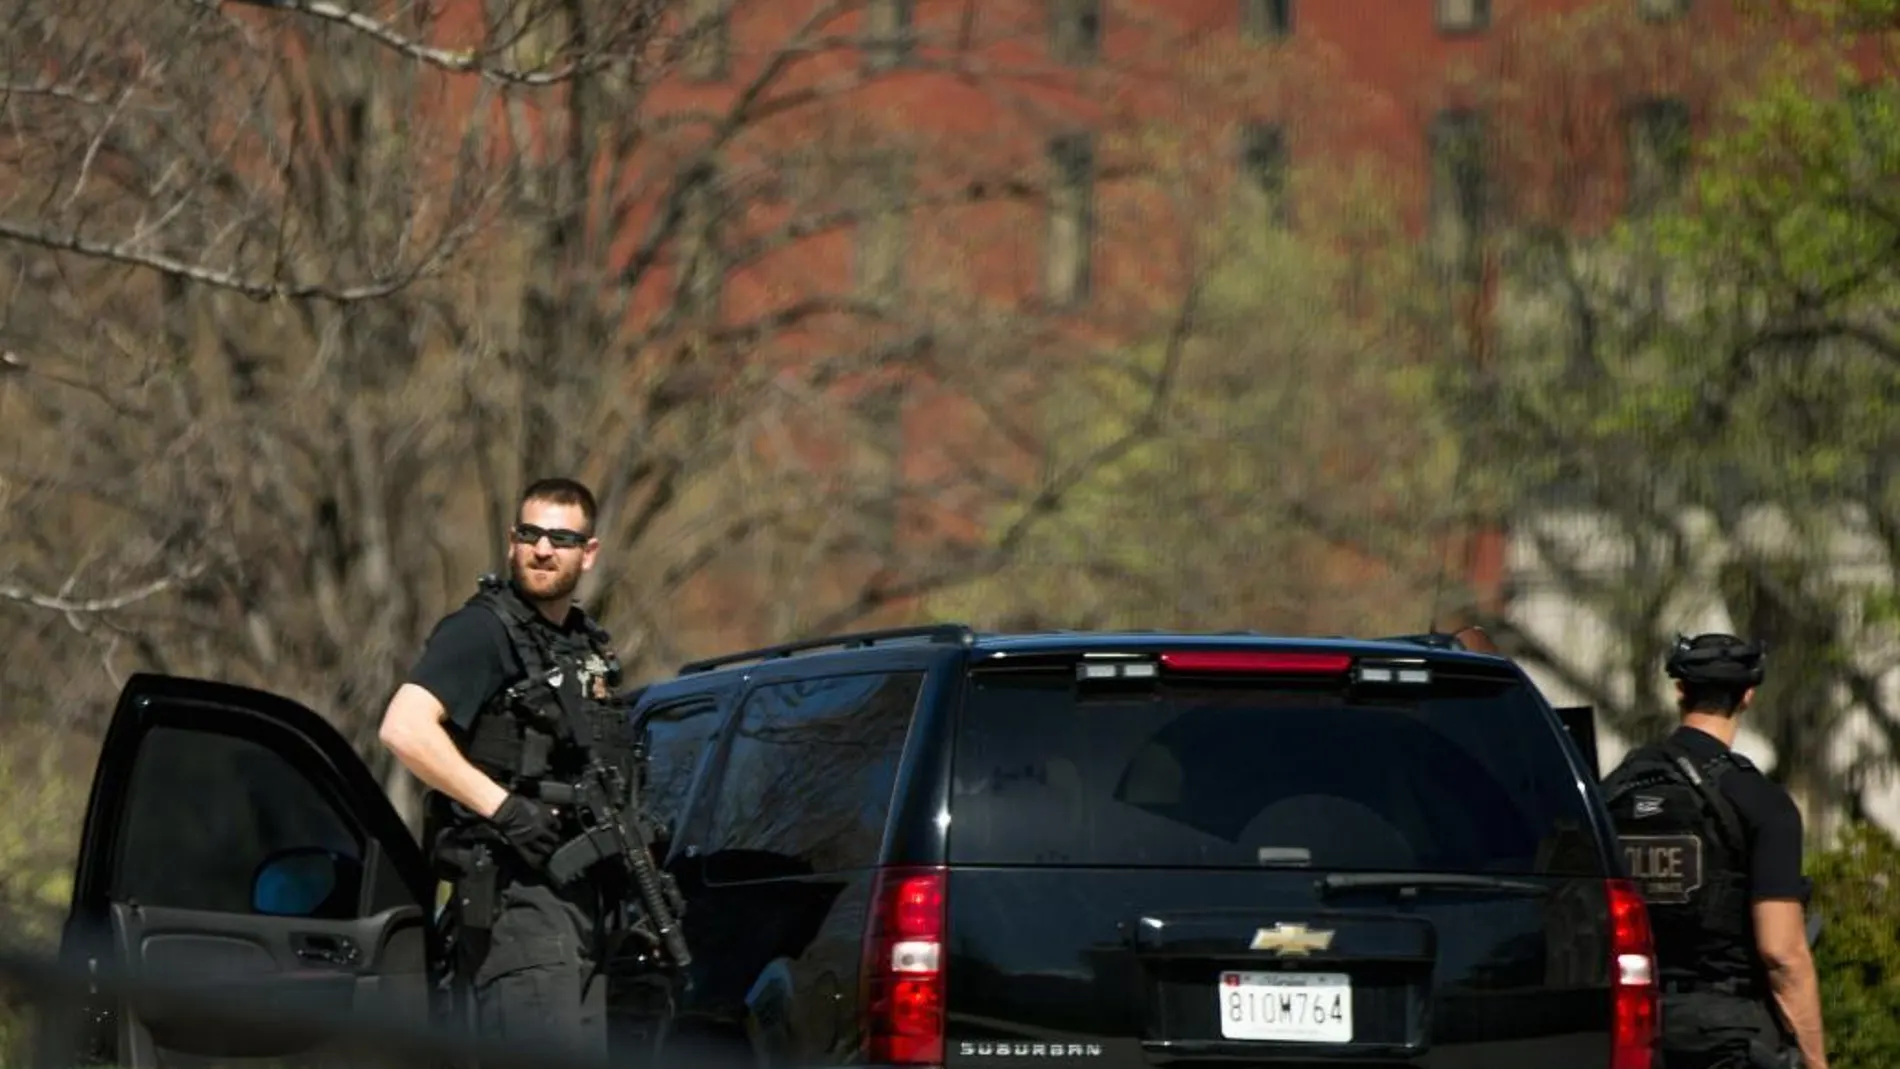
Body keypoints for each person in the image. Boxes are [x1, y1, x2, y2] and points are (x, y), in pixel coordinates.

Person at [378, 477, 627, 1060]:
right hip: (518, 907)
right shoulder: (484, 630)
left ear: (588, 553)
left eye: (561, 538)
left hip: (581, 912)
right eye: (530, 534)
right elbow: (404, 727)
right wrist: (504, 808)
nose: (543, 549)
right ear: (513, 541)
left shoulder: (581, 646)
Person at [1600, 633, 1828, 1069]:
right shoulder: (1760, 800)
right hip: (1725, 1034)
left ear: (1680, 691)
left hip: (1622, 1022)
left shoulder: (1616, 787)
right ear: (1747, 696)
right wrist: (1816, 1061)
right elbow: (1782, 953)